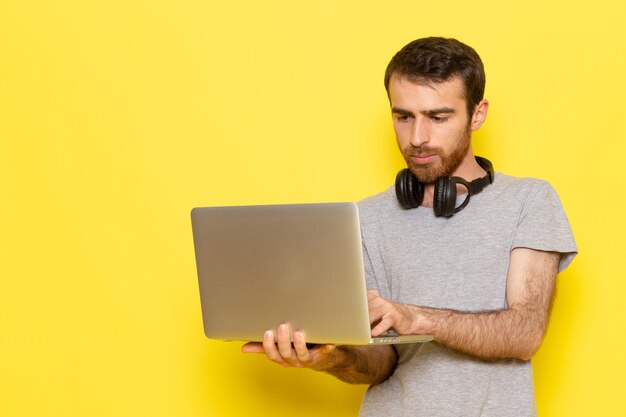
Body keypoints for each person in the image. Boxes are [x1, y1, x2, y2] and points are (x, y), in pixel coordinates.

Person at [242, 37, 577, 416]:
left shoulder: (529, 201)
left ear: (478, 114)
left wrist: (415, 317)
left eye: (438, 117)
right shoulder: (362, 218)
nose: (417, 139)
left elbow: (525, 333)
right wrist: (330, 358)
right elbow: (381, 362)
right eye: (404, 117)